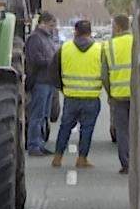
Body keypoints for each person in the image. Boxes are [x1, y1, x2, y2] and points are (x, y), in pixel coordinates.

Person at [51, 18, 103, 169]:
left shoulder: (65, 48)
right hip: (91, 98)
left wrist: (62, 87)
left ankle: (57, 157)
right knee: (87, 130)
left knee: (65, 127)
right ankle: (82, 159)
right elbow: (105, 72)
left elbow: (54, 70)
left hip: (71, 97)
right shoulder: (99, 49)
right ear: (90, 32)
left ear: (75, 31)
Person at [100, 13, 134, 174]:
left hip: (118, 95)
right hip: (137, 95)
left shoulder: (108, 46)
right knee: (136, 130)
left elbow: (104, 75)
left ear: (118, 27)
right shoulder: (137, 42)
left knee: (122, 132)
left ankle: (126, 164)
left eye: (113, 26)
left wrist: (109, 93)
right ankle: (139, 163)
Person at [22, 11, 59, 156]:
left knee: (44, 115)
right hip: (40, 81)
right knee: (36, 115)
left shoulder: (48, 39)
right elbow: (35, 59)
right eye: (51, 25)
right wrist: (52, 62)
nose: (52, 28)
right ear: (42, 23)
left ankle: (41, 143)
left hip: (49, 82)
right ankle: (33, 145)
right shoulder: (35, 39)